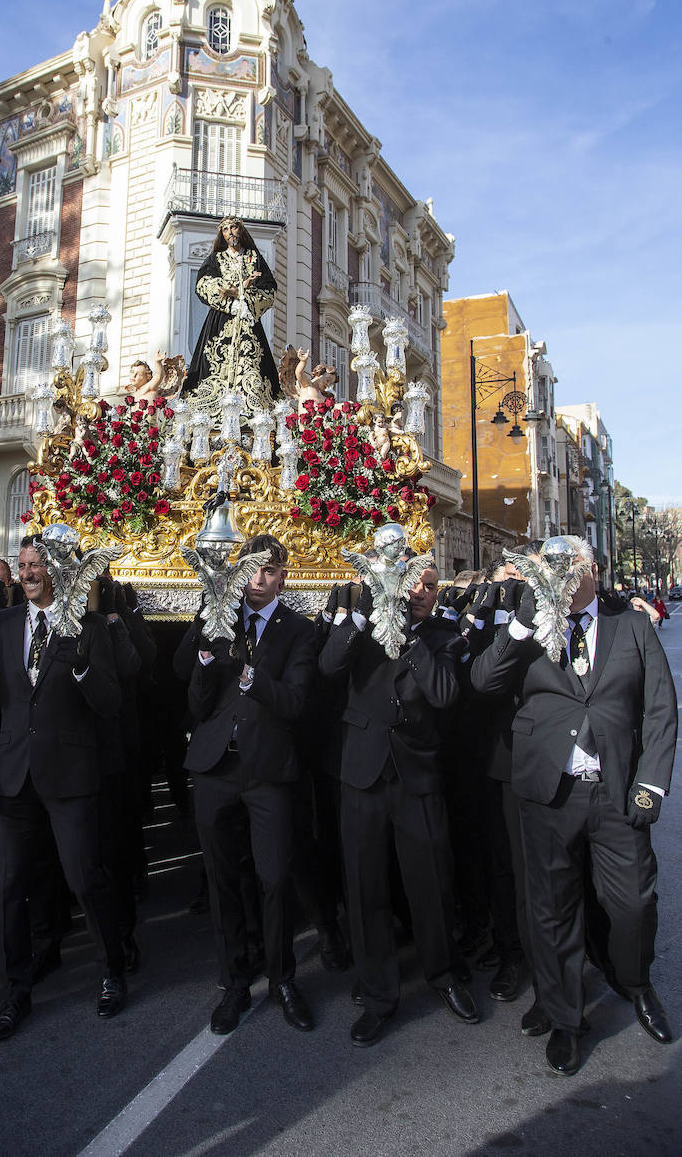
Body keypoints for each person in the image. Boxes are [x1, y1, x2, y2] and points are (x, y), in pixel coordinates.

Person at [471, 545, 677, 1076]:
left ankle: (635, 983)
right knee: (552, 909)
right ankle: (565, 1017)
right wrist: (522, 623)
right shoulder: (529, 629)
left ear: (593, 572)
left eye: (571, 569)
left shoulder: (631, 626)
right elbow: (483, 681)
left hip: (616, 790)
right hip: (549, 792)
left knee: (634, 902)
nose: (561, 579)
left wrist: (650, 784)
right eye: (552, 569)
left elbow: (660, 707)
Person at [0, 534, 128, 1041]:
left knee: (84, 878)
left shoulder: (88, 627)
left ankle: (112, 969)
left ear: (57, 572)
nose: (28, 573)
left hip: (70, 774)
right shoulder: (1, 624)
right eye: (23, 564)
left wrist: (80, 665)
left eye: (37, 565)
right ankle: (16, 991)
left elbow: (110, 703)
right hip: (12, 776)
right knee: (9, 889)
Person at [318, 563, 479, 1045]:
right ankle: (377, 994)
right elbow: (329, 667)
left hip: (416, 774)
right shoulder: (361, 627)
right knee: (365, 886)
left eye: (429, 586)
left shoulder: (443, 637)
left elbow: (444, 694)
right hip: (362, 771)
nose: (420, 592)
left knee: (430, 881)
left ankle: (443, 975)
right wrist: (364, 615)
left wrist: (411, 639)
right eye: (412, 584)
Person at [179, 534, 317, 1035]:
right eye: (251, 570)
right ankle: (234, 982)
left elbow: (295, 701)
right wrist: (204, 647)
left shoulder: (299, 630)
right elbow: (195, 699)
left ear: (283, 577)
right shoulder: (221, 618)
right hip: (215, 768)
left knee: (275, 877)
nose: (258, 580)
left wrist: (247, 675)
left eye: (269, 571)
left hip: (267, 772)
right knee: (222, 879)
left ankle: (283, 979)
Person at [182, 216, 280, 418]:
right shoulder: (215, 259)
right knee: (212, 364)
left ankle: (254, 414)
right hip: (221, 320)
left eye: (233, 227)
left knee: (253, 365)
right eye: (225, 229)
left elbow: (269, 289)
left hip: (247, 319)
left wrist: (244, 299)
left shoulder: (254, 258)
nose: (230, 232)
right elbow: (203, 285)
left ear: (240, 230)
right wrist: (230, 296)